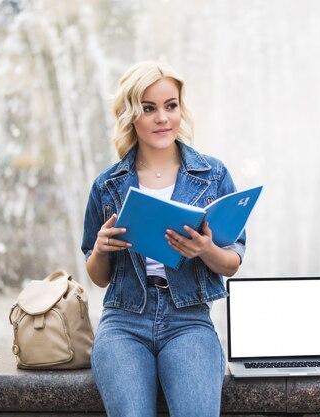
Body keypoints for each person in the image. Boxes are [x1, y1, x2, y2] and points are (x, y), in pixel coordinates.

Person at [81, 61, 246, 417]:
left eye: (170, 106)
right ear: (130, 115)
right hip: (125, 322)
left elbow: (232, 263)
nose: (162, 118)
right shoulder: (107, 184)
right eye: (148, 108)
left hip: (188, 320)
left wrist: (205, 249)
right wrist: (100, 249)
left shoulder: (212, 175)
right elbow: (98, 276)